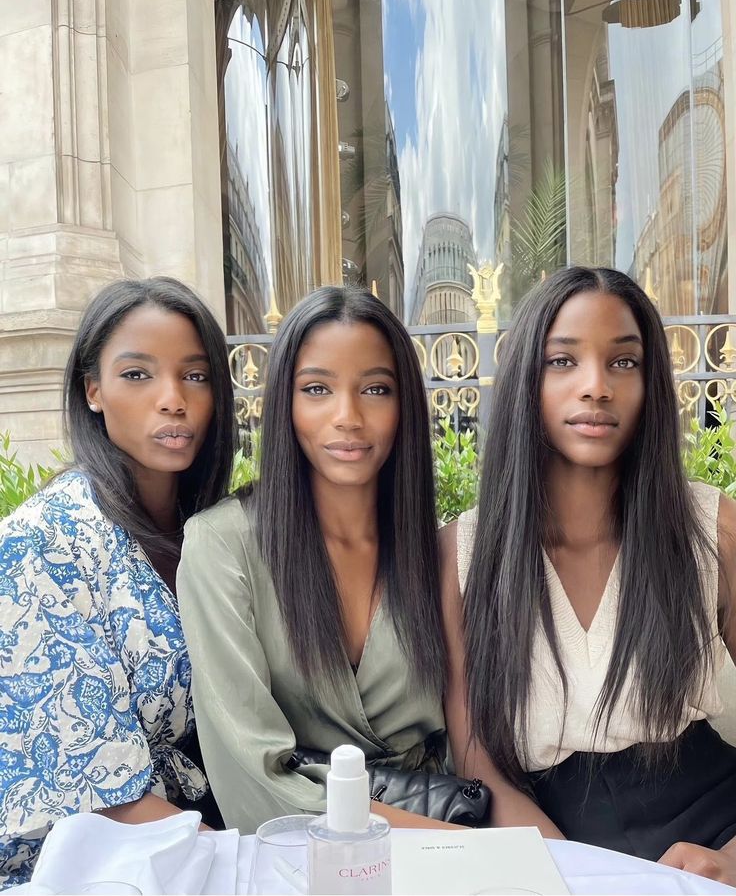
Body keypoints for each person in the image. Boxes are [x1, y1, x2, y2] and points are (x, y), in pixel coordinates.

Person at [440, 266, 736, 885]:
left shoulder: (711, 528)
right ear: (527, 379)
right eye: (563, 361)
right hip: (550, 841)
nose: (596, 387)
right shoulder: (466, 553)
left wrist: (730, 861)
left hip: (712, 839)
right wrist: (568, 873)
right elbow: (478, 758)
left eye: (623, 363)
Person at [178, 285, 450, 833]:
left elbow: (472, 739)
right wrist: (444, 841)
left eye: (375, 389)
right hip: (299, 854)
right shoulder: (221, 546)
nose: (348, 416)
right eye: (318, 388)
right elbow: (252, 771)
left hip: (446, 829)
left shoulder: (435, 549)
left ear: (404, 407)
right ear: (286, 403)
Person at [0, 277, 234, 887]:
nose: (172, 399)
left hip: (203, 839)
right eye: (138, 375)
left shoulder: (213, 532)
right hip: (92, 864)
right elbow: (103, 793)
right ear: (93, 391)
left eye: (196, 375)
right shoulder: (41, 544)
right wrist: (254, 864)